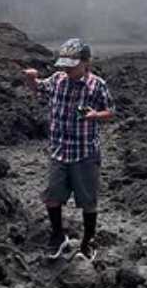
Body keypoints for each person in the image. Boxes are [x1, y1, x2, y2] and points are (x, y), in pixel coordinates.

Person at [23, 38, 115, 262]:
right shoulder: (57, 80)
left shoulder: (97, 85)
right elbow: (37, 88)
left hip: (84, 152)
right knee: (52, 196)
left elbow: (111, 110)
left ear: (86, 63)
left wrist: (95, 115)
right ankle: (57, 235)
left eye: (71, 65)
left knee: (88, 200)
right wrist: (30, 79)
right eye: (64, 65)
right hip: (59, 150)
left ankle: (89, 240)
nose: (67, 69)